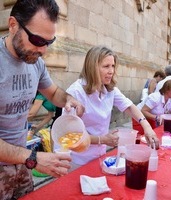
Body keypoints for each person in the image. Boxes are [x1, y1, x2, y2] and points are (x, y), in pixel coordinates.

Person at [0, 0, 84, 199]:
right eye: (38, 40)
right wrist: (34, 159)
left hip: (22, 161)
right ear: (13, 25)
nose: (43, 50)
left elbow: (54, 93)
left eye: (49, 42)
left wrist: (69, 99)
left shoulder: (35, 61)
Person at [61, 45, 159, 168]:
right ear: (93, 68)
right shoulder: (76, 92)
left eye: (113, 66)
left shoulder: (108, 89)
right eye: (106, 66)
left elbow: (129, 106)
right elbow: (69, 135)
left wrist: (147, 127)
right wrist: (102, 140)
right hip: (77, 160)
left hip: (99, 156)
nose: (111, 71)